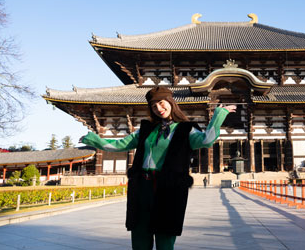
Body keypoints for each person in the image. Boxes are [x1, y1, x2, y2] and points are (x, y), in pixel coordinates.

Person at [80, 86, 236, 250]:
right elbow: (118, 145)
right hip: (142, 188)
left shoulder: (185, 129)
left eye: (161, 103)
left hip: (168, 189)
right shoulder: (146, 130)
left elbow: (206, 140)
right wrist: (94, 139)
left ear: (170, 102)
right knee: (140, 234)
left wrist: (218, 115)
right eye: (154, 106)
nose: (159, 109)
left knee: (165, 237)